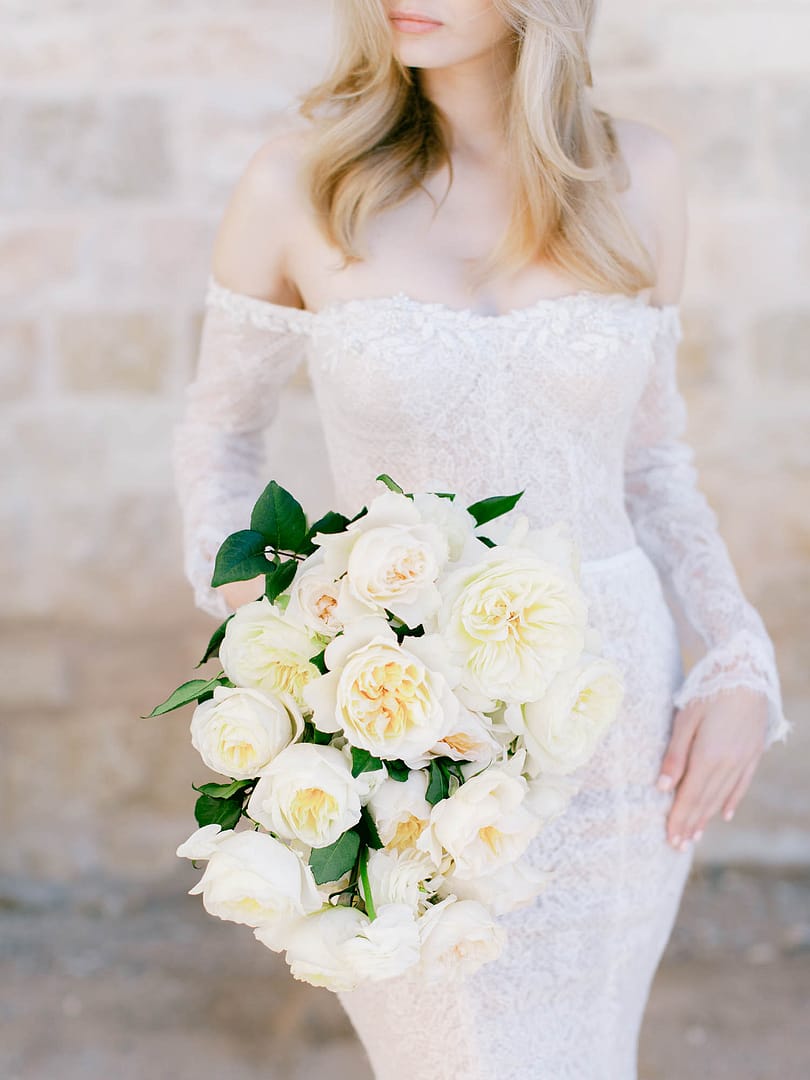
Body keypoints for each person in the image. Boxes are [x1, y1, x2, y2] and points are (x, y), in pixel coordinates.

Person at [171, 2, 792, 1076]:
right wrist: (294, 654)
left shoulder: (641, 174)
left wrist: (738, 657)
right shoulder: (298, 183)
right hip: (400, 726)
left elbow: (652, 469)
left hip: (611, 716)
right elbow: (220, 441)